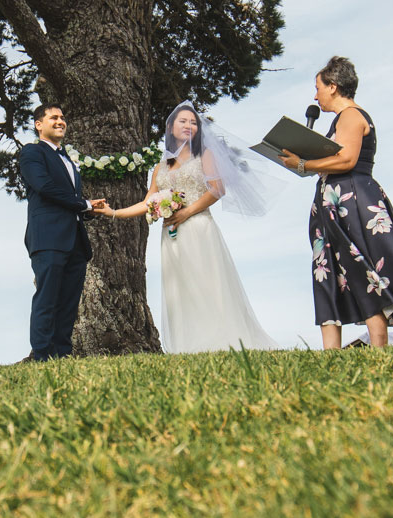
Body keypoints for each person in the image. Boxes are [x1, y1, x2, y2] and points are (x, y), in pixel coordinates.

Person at [96, 102, 276, 352]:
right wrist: (114, 212)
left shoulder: (205, 156)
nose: (189, 126)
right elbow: (149, 201)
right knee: (180, 289)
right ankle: (191, 345)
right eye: (183, 121)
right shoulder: (160, 166)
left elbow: (217, 189)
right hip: (172, 236)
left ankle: (222, 342)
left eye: (193, 122)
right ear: (171, 126)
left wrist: (187, 212)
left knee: (207, 284)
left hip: (199, 227)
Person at [280, 56, 393, 347]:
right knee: (328, 270)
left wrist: (303, 165)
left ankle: (379, 350)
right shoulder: (340, 119)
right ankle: (332, 352)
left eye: (318, 87)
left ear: (333, 87)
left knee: (362, 266)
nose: (315, 95)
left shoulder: (350, 116)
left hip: (351, 200)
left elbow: (347, 159)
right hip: (332, 199)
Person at [17, 104, 106, 361]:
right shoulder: (32, 152)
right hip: (48, 237)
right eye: (53, 117)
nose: (60, 121)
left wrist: (89, 209)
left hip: (75, 239)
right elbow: (44, 187)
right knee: (47, 297)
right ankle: (42, 355)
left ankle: (63, 353)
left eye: (62, 118)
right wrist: (84, 204)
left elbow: (69, 198)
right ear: (38, 124)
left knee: (69, 300)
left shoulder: (67, 159)